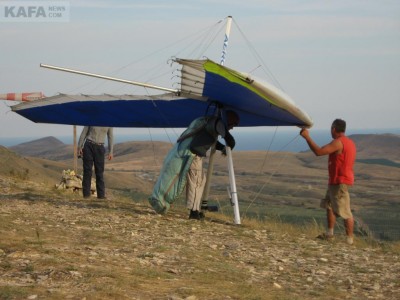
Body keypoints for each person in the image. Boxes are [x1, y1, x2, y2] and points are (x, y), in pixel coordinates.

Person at [149, 110, 239, 219]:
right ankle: (194, 213)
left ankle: (194, 210)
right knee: (196, 182)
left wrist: (222, 148)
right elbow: (229, 139)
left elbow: (210, 140)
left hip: (185, 152)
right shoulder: (217, 123)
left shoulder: (204, 120)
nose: (232, 128)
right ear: (227, 121)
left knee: (200, 180)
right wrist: (230, 146)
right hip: (192, 155)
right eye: (233, 124)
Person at [300, 119, 356, 245]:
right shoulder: (350, 142)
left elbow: (319, 152)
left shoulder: (338, 143)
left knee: (345, 211)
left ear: (334, 128)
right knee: (329, 205)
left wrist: (307, 137)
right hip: (336, 181)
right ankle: (330, 234)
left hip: (339, 182)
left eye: (331, 128)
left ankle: (349, 241)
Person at [78, 126, 114, 199]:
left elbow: (110, 137)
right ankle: (86, 195)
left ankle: (101, 196)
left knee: (99, 173)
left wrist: (111, 152)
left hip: (100, 148)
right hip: (88, 145)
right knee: (87, 171)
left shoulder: (109, 122)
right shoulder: (92, 117)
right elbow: (84, 133)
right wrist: (79, 147)